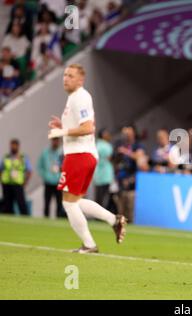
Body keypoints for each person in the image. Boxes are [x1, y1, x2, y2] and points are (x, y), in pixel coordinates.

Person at [47, 64, 127, 253]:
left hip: (79, 155)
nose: (66, 78)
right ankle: (113, 220)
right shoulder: (74, 98)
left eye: (71, 76)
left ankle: (90, 244)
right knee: (74, 201)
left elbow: (88, 127)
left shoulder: (81, 97)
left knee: (68, 202)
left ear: (80, 80)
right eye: (65, 75)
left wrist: (62, 130)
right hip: (82, 154)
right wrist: (64, 124)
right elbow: (80, 126)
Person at [0, 138, 32, 215]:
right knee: (7, 204)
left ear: (18, 146)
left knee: (21, 203)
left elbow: (29, 170)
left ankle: (25, 218)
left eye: (14, 145)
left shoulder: (23, 157)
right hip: (7, 183)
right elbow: (1, 169)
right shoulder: (6, 157)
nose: (13, 147)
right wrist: (1, 180)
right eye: (12, 145)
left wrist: (25, 182)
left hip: (18, 184)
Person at [37, 137, 65, 218]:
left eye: (57, 140)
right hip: (48, 182)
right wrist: (45, 175)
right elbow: (39, 166)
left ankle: (59, 219)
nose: (55, 142)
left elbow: (67, 166)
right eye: (54, 140)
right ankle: (46, 219)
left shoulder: (62, 153)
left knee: (59, 203)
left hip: (59, 182)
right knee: (47, 203)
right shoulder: (45, 152)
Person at [93, 128, 115, 211]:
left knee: (98, 197)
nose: (108, 135)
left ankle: (96, 214)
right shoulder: (107, 146)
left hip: (97, 175)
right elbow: (110, 157)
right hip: (106, 176)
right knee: (106, 198)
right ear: (102, 135)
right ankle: (101, 215)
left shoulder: (96, 145)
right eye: (106, 133)